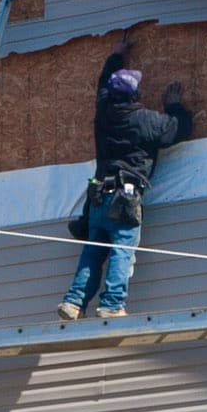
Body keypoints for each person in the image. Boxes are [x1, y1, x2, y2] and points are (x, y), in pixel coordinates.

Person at [59, 47, 193, 320]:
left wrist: (115, 58)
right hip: (125, 198)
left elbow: (102, 85)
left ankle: (74, 303)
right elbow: (178, 128)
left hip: (97, 198)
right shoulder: (146, 121)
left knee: (94, 251)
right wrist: (175, 105)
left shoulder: (103, 113)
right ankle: (111, 305)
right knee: (122, 250)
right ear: (135, 95)